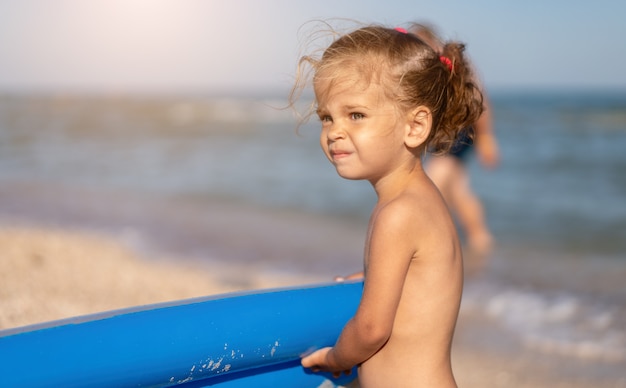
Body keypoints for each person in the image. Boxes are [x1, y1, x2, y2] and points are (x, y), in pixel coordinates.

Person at [289, 23, 484, 387]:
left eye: (356, 115)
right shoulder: (419, 201)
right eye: (327, 117)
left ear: (415, 126)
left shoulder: (399, 213)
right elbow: (423, 281)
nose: (334, 131)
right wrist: (380, 277)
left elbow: (371, 329)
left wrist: (335, 357)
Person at [410, 23, 500, 263]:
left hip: (461, 129)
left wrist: (486, 138)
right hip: (443, 132)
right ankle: (479, 238)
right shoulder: (423, 66)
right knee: (458, 189)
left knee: (436, 179)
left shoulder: (453, 62)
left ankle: (431, 243)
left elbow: (479, 99)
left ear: (430, 40)